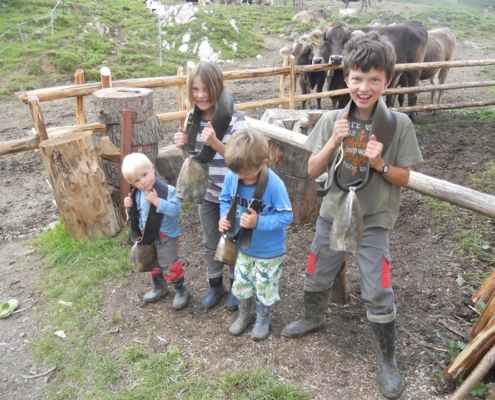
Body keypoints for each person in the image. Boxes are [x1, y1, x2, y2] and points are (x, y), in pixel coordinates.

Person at [282, 31, 423, 399]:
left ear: (387, 81)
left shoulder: (399, 125)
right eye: (357, 78)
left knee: (378, 288)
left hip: (373, 219)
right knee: (316, 270)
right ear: (346, 79)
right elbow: (313, 169)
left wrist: (379, 163)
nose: (364, 87)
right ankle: (313, 317)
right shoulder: (332, 120)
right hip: (331, 214)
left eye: (374, 79)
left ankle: (386, 359)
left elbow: (404, 178)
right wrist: (332, 141)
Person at [174, 61, 248, 311]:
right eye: (195, 89)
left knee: (233, 238)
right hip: (207, 193)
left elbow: (242, 162)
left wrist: (216, 143)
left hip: (233, 195)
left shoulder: (237, 121)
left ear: (220, 88)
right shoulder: (191, 119)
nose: (201, 95)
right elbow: (194, 160)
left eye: (206, 89)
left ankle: (237, 285)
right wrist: (182, 146)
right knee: (210, 240)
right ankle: (215, 285)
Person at [218, 128, 293, 341]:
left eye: (245, 173)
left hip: (268, 251)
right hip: (242, 247)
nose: (239, 177)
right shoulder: (233, 176)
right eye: (236, 172)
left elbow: (286, 216)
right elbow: (224, 200)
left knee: (264, 286)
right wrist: (224, 217)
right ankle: (245, 314)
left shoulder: (274, 185)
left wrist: (258, 221)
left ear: (263, 163)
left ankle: (263, 317)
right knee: (241, 282)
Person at [122, 152, 189, 310]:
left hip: (167, 237)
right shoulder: (137, 194)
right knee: (153, 263)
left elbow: (175, 210)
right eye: (136, 180)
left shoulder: (168, 190)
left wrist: (157, 201)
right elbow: (138, 213)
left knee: (169, 264)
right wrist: (129, 206)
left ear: (152, 168)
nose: (143, 182)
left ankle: (181, 290)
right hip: (148, 236)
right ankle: (160, 287)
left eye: (144, 175)